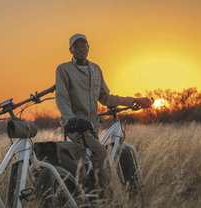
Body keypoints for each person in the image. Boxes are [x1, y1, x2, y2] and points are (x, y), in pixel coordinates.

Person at [55, 33, 152, 197]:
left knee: (92, 160)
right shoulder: (64, 69)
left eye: (83, 45)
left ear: (88, 48)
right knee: (100, 152)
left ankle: (93, 196)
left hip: (92, 126)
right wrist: (71, 119)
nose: (80, 49)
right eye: (76, 46)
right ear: (70, 49)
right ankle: (109, 197)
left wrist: (133, 100)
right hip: (75, 126)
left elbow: (106, 98)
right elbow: (61, 98)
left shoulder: (95, 69)